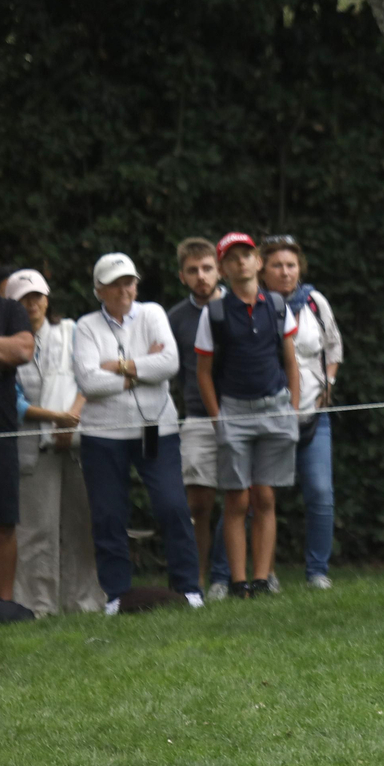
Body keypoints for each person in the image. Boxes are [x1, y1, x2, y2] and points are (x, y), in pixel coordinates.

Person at [71, 253, 201, 613]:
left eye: (128, 282)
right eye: (114, 284)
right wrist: (140, 371)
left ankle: (189, 588)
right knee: (108, 515)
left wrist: (117, 367)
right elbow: (88, 382)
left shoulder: (153, 313)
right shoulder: (86, 326)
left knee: (173, 506)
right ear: (99, 290)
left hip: (156, 428)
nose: (123, 290)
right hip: (103, 434)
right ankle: (116, 595)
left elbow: (169, 363)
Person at [193, 233, 301, 598]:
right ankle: (238, 582)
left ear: (258, 261)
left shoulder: (277, 305)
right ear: (223, 269)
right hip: (235, 411)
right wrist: (218, 418)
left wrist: (293, 408)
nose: (241, 262)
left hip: (275, 408)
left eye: (246, 255)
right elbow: (203, 372)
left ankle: (262, 578)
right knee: (237, 499)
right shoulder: (215, 312)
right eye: (232, 258)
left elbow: (290, 361)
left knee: (265, 497)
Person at [5, 270, 100, 616]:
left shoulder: (71, 330)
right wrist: (54, 418)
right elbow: (12, 400)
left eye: (37, 296)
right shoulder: (6, 343)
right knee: (35, 529)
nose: (32, 304)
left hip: (78, 442)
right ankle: (36, 605)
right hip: (32, 446)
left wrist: (71, 416)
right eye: (23, 299)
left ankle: (85, 602)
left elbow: (88, 377)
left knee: (82, 525)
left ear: (47, 299)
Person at [260, 235, 342, 588]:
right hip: (265, 414)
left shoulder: (314, 301)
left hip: (313, 413)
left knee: (321, 493)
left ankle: (317, 572)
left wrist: (329, 384)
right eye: (277, 265)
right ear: (262, 269)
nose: (285, 272)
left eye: (291, 265)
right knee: (257, 498)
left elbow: (334, 347)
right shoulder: (251, 304)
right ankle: (254, 574)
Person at [166, 238, 230, 597]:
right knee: (198, 504)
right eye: (193, 271)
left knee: (244, 501)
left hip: (242, 413)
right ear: (182, 276)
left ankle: (231, 576)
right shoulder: (175, 318)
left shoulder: (240, 306)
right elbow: (171, 370)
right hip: (197, 418)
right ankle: (198, 580)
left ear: (219, 270)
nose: (201, 276)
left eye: (207, 268)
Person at [0, 241, 37, 606]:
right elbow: (9, 352)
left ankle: (3, 606)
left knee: (1, 522)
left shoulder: (9, 309)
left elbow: (23, 351)